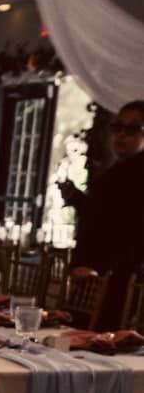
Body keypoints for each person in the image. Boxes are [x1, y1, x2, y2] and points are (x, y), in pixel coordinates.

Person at [61, 100, 144, 328]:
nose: (121, 135)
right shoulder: (114, 172)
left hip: (120, 281)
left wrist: (102, 269)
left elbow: (132, 234)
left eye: (133, 129)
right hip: (93, 279)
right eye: (117, 127)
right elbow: (96, 219)